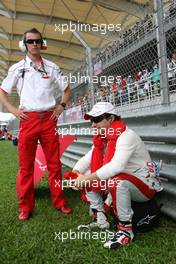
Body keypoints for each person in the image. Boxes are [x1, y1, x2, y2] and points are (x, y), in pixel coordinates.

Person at [0, 28, 72, 220]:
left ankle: (60, 202)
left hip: (49, 119)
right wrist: (13, 110)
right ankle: (25, 207)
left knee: (55, 165)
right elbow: (2, 91)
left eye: (37, 41)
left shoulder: (52, 67)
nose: (34, 44)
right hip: (28, 120)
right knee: (26, 167)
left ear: (42, 43)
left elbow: (66, 90)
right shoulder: (17, 68)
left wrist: (61, 106)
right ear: (25, 44)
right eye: (30, 41)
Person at [73, 102, 162, 249]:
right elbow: (87, 158)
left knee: (115, 181)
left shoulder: (127, 135)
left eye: (97, 120)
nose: (93, 125)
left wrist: (86, 180)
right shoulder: (103, 139)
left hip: (144, 185)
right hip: (126, 182)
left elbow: (116, 166)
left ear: (111, 119)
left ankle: (126, 231)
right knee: (86, 173)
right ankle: (100, 217)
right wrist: (76, 174)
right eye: (91, 121)